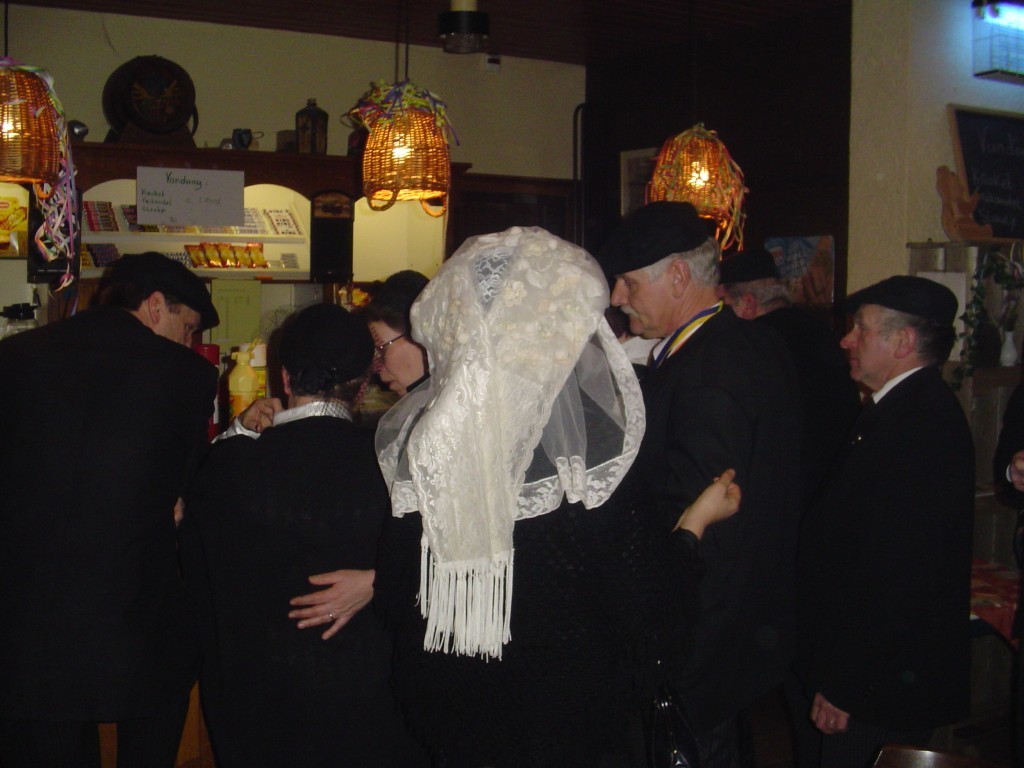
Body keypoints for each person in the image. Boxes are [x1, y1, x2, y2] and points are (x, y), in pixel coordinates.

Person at [372, 226, 741, 767]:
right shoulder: (591, 445)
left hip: (448, 717)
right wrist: (694, 523)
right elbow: (652, 616)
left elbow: (395, 592)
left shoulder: (426, 434)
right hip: (562, 723)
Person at [597, 201, 803, 768]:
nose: (617, 297)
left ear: (678, 276)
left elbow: (705, 536)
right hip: (740, 639)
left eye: (628, 281)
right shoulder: (744, 341)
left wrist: (669, 659)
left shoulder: (709, 373)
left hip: (700, 648)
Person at [178, 303, 425, 767]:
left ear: (285, 378)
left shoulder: (228, 466)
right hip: (367, 710)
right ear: (361, 384)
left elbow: (196, 576)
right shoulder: (393, 466)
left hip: (256, 710)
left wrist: (236, 432)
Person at [0, 251, 219, 768]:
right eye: (188, 328)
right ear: (156, 305)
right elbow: (189, 489)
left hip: (28, 633)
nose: (188, 342)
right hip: (135, 625)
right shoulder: (187, 375)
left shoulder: (12, 357)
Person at [794, 275, 973, 768]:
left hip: (882, 685)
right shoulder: (896, 408)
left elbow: (898, 575)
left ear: (904, 341)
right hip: (872, 672)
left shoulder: (922, 424)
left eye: (862, 329)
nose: (846, 340)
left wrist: (845, 685)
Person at [718, 246, 861, 509]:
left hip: (779, 491)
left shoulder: (750, 343)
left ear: (747, 303)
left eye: (722, 305)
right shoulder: (820, 330)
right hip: (834, 485)